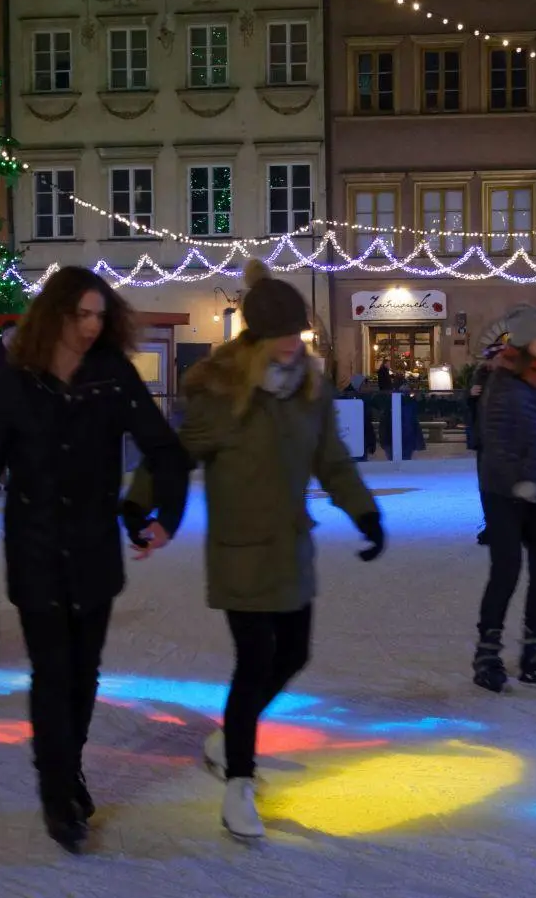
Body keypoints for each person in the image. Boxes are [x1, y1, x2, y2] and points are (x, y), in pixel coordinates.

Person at [0, 267, 189, 853]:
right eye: (82, 315)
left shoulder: (113, 375)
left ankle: (67, 769)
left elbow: (166, 451)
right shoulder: (18, 383)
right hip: (37, 546)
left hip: (94, 546)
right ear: (57, 316)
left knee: (84, 671)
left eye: (101, 315)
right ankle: (55, 790)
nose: (93, 326)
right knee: (52, 670)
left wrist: (163, 516)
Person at [129, 259, 382, 839]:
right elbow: (174, 456)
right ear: (257, 338)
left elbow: (332, 460)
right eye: (282, 336)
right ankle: (239, 782)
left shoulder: (310, 392)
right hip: (239, 549)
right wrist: (137, 502)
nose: (293, 345)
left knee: (293, 655)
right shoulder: (221, 394)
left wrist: (363, 510)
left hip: (291, 547)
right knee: (254, 662)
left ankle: (224, 740)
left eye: (299, 334)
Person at [473, 303, 536, 693]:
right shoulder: (501, 381)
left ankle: (534, 651)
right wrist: (518, 482)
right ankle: (487, 652)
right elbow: (495, 439)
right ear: (526, 339)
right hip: (504, 491)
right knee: (507, 570)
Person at [467, 341, 503, 545]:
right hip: (485, 442)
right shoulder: (479, 377)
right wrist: (470, 395)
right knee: (487, 487)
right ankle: (492, 525)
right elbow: (469, 407)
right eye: (497, 358)